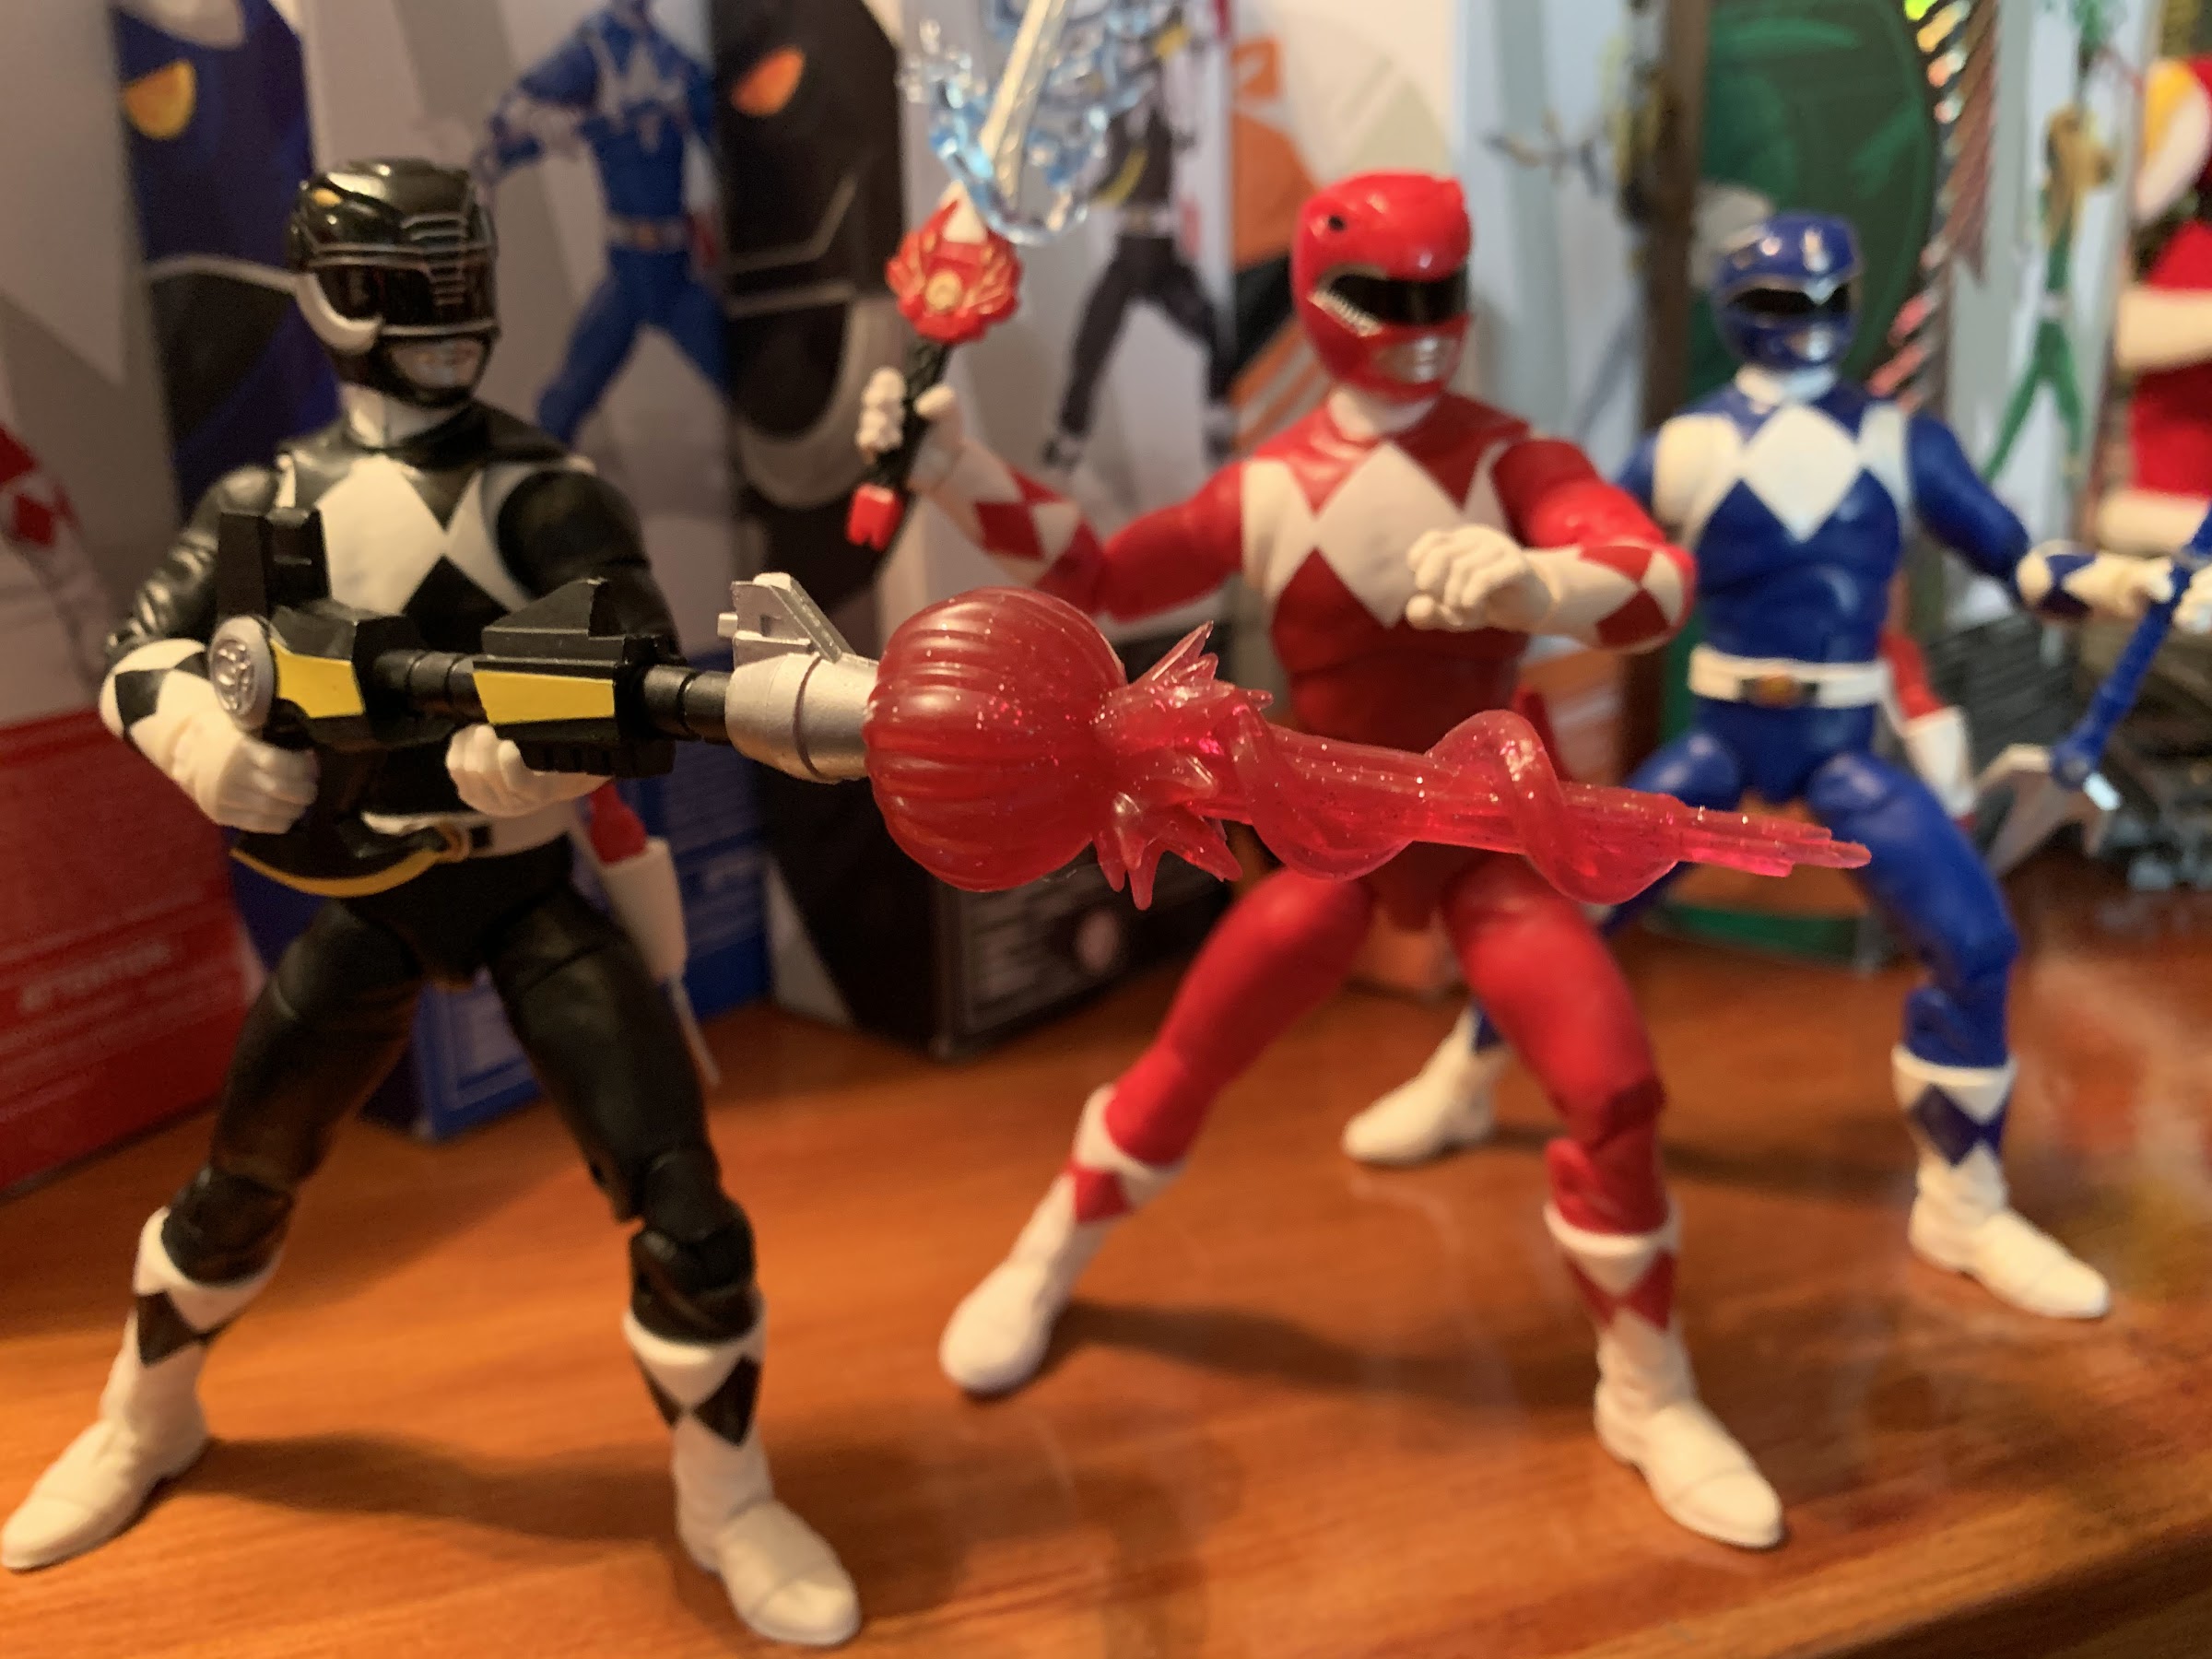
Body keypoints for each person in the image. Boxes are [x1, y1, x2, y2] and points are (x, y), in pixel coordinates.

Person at [862, 170, 1786, 1550]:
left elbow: (1652, 574)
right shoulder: (1273, 487)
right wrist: (954, 467)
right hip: (1332, 834)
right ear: (1316, 296)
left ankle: (1650, 1389)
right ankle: (1049, 1250)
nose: (1415, 326)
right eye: (1382, 297)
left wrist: (1544, 584)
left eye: (1437, 295)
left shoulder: (1510, 461)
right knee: (1193, 1049)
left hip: (1487, 832)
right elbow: (1103, 578)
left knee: (1612, 1084)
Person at [2, 160, 856, 1650]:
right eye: (412, 291)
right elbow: (143, 651)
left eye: (462, 284)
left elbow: (630, 666)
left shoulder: (550, 492)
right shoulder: (269, 503)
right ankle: (144, 1418)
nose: (447, 323)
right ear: (340, 300)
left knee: (686, 1207)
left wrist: (535, 766)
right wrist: (205, 742)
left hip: (524, 889)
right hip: (366, 891)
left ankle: (729, 1496)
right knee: (239, 1181)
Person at [1347, 212, 2195, 1325]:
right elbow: (1610, 556)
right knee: (1564, 908)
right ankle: (1464, 1075)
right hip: (1727, 730)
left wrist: (2128, 581)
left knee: (1978, 942)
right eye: (1779, 301)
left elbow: (2024, 564)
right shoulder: (1689, 445)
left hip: (1842, 744)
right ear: (1735, 307)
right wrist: (1530, 579)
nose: (1802, 322)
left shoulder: (1898, 441)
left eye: (1819, 299)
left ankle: (1966, 1202)